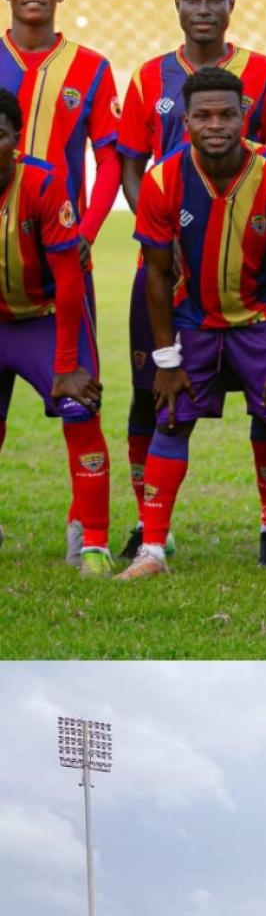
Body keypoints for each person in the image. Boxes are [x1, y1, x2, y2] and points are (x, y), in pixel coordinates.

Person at [117, 68, 266, 589]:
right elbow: (157, 275)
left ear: (243, 116)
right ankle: (153, 549)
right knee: (169, 420)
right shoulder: (162, 179)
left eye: (227, 114)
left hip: (261, 315)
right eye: (203, 115)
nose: (215, 125)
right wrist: (166, 362)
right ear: (185, 121)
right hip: (194, 317)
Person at [116, 0, 266, 567]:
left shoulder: (265, 74)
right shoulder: (148, 77)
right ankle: (149, 527)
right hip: (167, 269)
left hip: (249, 271)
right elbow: (132, 166)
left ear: (231, 5)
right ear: (178, 5)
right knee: (151, 395)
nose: (204, 9)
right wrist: (161, 239)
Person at [0, 0, 120, 569]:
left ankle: (86, 528)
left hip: (62, 259)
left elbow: (111, 159)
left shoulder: (91, 68)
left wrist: (87, 231)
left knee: (80, 398)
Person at [0, 87, 109, 572]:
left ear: (16, 139)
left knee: (79, 408)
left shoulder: (43, 183)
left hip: (45, 317)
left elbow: (69, 280)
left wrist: (66, 365)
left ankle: (92, 540)